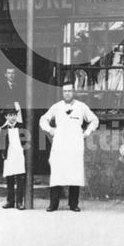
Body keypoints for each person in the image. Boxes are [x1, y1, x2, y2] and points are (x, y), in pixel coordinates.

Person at [40, 81, 99, 212]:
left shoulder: (81, 107)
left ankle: (73, 204)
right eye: (65, 91)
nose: (67, 93)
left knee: (75, 173)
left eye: (69, 91)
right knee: (57, 173)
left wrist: (87, 132)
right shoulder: (57, 107)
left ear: (74, 92)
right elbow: (43, 120)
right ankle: (53, 204)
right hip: (60, 144)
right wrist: (50, 130)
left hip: (75, 144)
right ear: (62, 92)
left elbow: (94, 120)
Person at [0, 107, 27, 209]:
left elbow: (26, 142)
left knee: (20, 179)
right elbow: (1, 144)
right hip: (9, 155)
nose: (12, 117)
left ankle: (19, 202)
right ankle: (10, 201)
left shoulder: (22, 127)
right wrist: (3, 153)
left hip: (19, 155)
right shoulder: (3, 128)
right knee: (9, 179)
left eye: (14, 115)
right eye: (10, 115)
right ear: (6, 116)